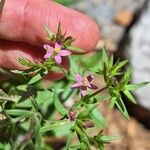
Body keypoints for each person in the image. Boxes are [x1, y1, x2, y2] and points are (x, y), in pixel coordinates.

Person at [0, 0, 100, 79]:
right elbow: (54, 47)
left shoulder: (58, 48)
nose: (57, 50)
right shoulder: (56, 47)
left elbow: (58, 47)